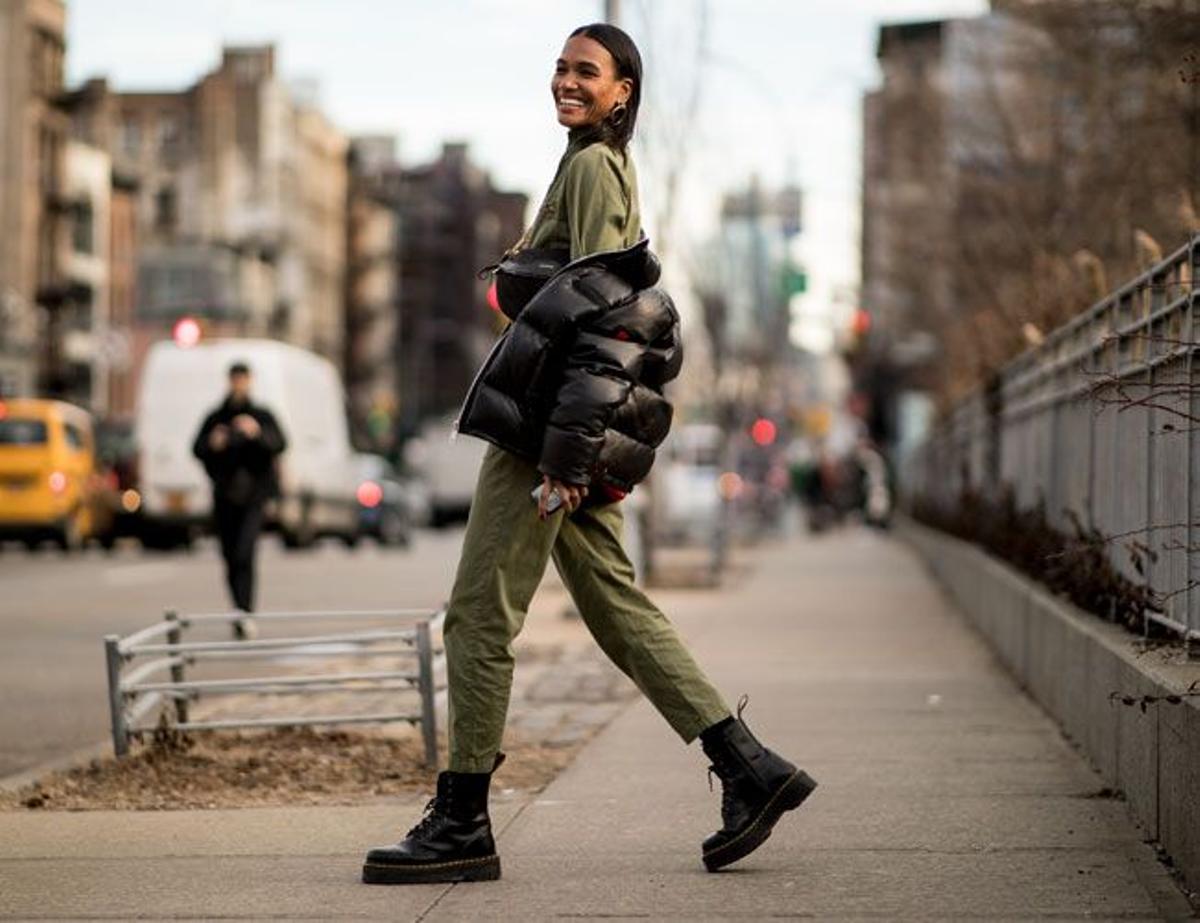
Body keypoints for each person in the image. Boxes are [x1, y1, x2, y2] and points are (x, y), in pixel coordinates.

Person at [362, 23, 816, 885]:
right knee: (614, 605)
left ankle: (463, 818)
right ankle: (748, 767)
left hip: (544, 437)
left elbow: (606, 322)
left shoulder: (595, 168)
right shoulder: (585, 165)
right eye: (562, 67)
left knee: (479, 615)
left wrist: (567, 462)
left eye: (588, 71)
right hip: (560, 430)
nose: (567, 81)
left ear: (623, 93)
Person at [192, 361, 287, 639]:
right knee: (230, 555)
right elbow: (197, 448)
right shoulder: (217, 416)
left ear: (250, 381)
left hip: (254, 496)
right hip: (224, 495)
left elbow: (280, 443)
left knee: (246, 551)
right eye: (235, 379)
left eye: (243, 379)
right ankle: (238, 609)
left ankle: (245, 611)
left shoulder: (261, 414)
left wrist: (255, 432)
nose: (239, 385)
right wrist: (214, 442)